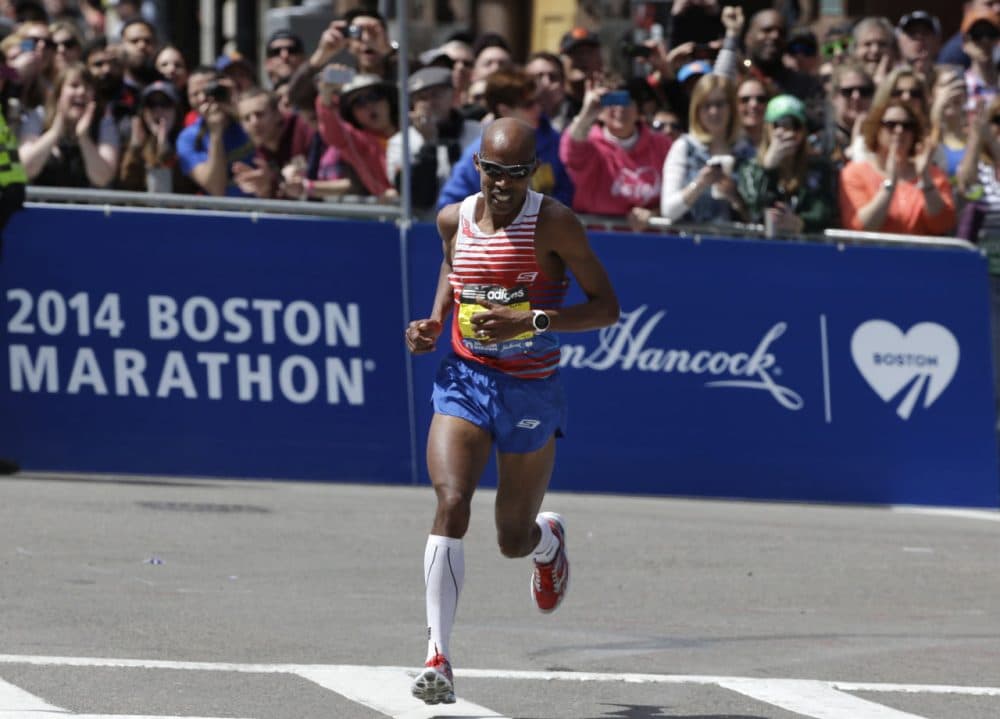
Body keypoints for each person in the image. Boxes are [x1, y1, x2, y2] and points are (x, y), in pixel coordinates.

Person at [405, 116, 619, 706]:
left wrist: (535, 320)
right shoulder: (453, 218)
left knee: (510, 537)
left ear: (534, 171)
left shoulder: (554, 223)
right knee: (451, 502)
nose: (502, 184)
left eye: (516, 173)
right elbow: (454, 266)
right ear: (477, 166)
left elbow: (606, 308)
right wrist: (434, 321)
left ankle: (547, 539)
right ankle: (438, 656)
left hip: (530, 388)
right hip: (466, 378)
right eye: (493, 172)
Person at [436, 68, 572, 210]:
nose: (538, 108)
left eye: (539, 100)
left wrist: (545, 214)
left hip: (545, 230)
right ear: (504, 110)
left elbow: (566, 190)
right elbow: (450, 204)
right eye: (529, 104)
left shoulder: (554, 142)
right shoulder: (481, 151)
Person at [559, 76, 672, 220]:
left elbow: (676, 194)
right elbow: (570, 152)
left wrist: (654, 214)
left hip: (650, 238)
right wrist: (587, 113)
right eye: (612, 101)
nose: (620, 109)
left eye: (626, 101)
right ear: (600, 111)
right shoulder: (589, 142)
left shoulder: (662, 145)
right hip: (597, 237)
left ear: (639, 110)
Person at [839, 97, 956, 235]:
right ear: (877, 129)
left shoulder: (933, 175)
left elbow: (944, 224)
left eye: (907, 125)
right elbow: (859, 226)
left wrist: (925, 177)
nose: (899, 130)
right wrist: (890, 185)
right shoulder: (854, 173)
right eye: (891, 124)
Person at [737, 94, 837, 234]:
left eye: (795, 125)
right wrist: (768, 168)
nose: (788, 132)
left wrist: (800, 223)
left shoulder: (819, 168)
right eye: (780, 124)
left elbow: (824, 211)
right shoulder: (750, 167)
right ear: (768, 128)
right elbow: (754, 208)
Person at [387, 66, 479, 209]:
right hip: (427, 223)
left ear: (453, 96)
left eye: (436, 94)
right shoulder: (400, 142)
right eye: (422, 98)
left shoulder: (478, 132)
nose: (430, 103)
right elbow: (417, 197)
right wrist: (429, 143)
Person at [659, 73, 746, 225]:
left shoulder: (745, 150)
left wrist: (735, 196)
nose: (714, 112)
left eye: (719, 104)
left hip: (737, 245)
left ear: (731, 107)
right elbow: (668, 211)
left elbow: (759, 215)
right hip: (692, 244)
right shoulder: (684, 148)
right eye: (706, 105)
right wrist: (700, 184)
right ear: (696, 110)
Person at [18, 62, 120, 187]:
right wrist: (55, 132)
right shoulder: (38, 117)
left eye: (87, 87)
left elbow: (103, 179)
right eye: (74, 85)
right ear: (58, 93)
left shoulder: (104, 123)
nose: (81, 92)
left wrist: (83, 137)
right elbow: (24, 170)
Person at [315, 71, 397, 198]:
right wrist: (326, 94)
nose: (369, 105)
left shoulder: (412, 126)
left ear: (388, 100)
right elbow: (332, 132)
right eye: (359, 102)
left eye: (375, 96)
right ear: (352, 114)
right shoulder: (356, 141)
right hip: (392, 212)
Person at [175, 70, 254, 196]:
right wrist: (215, 132)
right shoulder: (187, 138)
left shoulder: (250, 119)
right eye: (195, 94)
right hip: (223, 212)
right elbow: (216, 189)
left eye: (208, 90)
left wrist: (237, 106)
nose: (202, 98)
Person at [117, 79, 196, 194]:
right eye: (151, 105)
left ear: (177, 110)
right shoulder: (132, 141)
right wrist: (135, 149)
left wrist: (164, 151)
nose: (158, 110)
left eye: (165, 104)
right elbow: (127, 186)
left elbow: (185, 188)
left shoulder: (188, 141)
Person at [234, 86, 313, 199]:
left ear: (277, 114)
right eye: (247, 118)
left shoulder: (303, 128)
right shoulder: (260, 151)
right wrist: (265, 189)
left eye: (259, 114)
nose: (254, 123)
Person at [896, 12, 942, 77]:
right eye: (912, 33)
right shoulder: (887, 79)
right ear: (899, 41)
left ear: (937, 41)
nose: (919, 38)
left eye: (925, 32)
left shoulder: (951, 79)